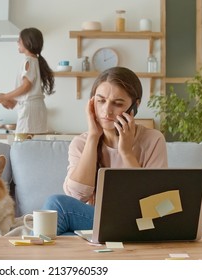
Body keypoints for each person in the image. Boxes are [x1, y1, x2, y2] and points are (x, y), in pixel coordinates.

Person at [43, 66, 168, 235]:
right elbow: (77, 196)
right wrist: (93, 137)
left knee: (56, 205)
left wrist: (126, 152)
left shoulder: (153, 139)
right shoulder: (81, 143)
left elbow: (154, 204)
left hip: (140, 222)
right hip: (100, 224)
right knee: (65, 232)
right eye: (100, 101)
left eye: (117, 103)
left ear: (134, 107)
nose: (106, 111)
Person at [0, 27, 54, 140]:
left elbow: (26, 86)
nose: (17, 42)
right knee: (34, 145)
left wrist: (5, 96)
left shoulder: (29, 61)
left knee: (21, 144)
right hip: (34, 108)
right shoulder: (35, 61)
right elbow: (28, 90)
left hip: (30, 109)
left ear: (27, 42)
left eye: (19, 40)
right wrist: (11, 101)